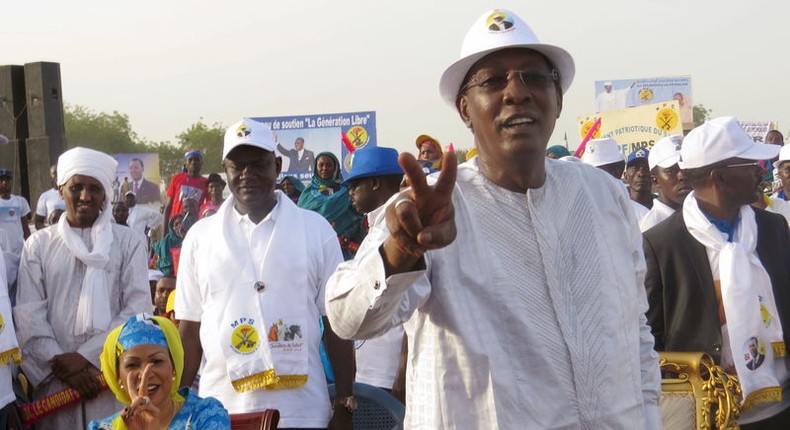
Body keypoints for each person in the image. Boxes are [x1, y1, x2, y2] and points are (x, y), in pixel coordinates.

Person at [326, 8, 661, 428]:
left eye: (535, 77)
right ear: (465, 109)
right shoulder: (432, 207)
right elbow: (348, 319)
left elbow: (637, 339)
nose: (516, 92)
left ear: (558, 100)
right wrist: (403, 250)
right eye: (493, 80)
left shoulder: (604, 197)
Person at [175, 118, 355, 429]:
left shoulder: (316, 230)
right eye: (237, 166)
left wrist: (344, 403)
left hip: (302, 412)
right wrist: (175, 405)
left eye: (258, 164)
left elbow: (336, 325)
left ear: (277, 164)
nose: (247, 174)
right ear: (225, 168)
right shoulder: (199, 238)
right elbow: (189, 331)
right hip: (220, 411)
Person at [643, 116, 790, 427]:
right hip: (708, 415)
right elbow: (650, 338)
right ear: (718, 178)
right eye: (749, 164)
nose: (760, 172)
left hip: (780, 408)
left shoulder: (773, 228)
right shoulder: (663, 244)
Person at [13, 147, 151, 429]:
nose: (85, 196)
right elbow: (28, 317)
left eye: (94, 188)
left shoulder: (129, 242)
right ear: (60, 189)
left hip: (110, 381)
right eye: (76, 187)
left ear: (105, 194)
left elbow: (137, 311)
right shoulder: (38, 245)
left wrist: (86, 358)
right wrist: (65, 368)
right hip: (55, 386)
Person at [88, 314, 229, 429]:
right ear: (117, 377)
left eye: (156, 362)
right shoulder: (103, 428)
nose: (145, 373)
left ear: (174, 367)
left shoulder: (206, 415)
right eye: (132, 365)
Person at [344, 146, 406, 392]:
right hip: (372, 371)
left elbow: (415, 311)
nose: (350, 193)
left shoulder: (399, 231)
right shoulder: (376, 227)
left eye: (355, 185)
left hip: (391, 375)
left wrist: (402, 376)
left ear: (376, 183)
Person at [298, 152, 366, 260]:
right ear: (316, 167)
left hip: (343, 249)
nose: (324, 168)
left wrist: (346, 235)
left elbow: (358, 217)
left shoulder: (347, 191)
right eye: (321, 165)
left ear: (336, 168)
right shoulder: (307, 193)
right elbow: (300, 221)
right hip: (313, 249)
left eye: (328, 165)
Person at [639, 135, 691, 232]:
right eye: (671, 170)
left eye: (686, 167)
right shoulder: (651, 228)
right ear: (655, 180)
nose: (682, 176)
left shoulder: (706, 213)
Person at [0, 166, 31, 304]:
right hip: (3, 254)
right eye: (1, 180)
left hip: (19, 253)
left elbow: (25, 227)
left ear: (11, 181)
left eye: (7, 180)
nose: (4, 183)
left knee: (20, 289)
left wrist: (30, 247)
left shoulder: (20, 201)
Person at [162, 150, 207, 231]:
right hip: (174, 225)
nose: (193, 162)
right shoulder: (177, 179)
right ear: (186, 164)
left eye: (197, 160)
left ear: (201, 163)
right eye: (190, 160)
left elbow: (207, 206)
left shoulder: (205, 183)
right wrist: (164, 232)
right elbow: (168, 206)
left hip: (194, 226)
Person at [34, 164, 64, 230]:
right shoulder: (45, 196)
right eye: (54, 173)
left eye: (59, 172)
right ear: (51, 176)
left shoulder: (71, 193)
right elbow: (38, 223)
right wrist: (50, 232)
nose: (57, 176)